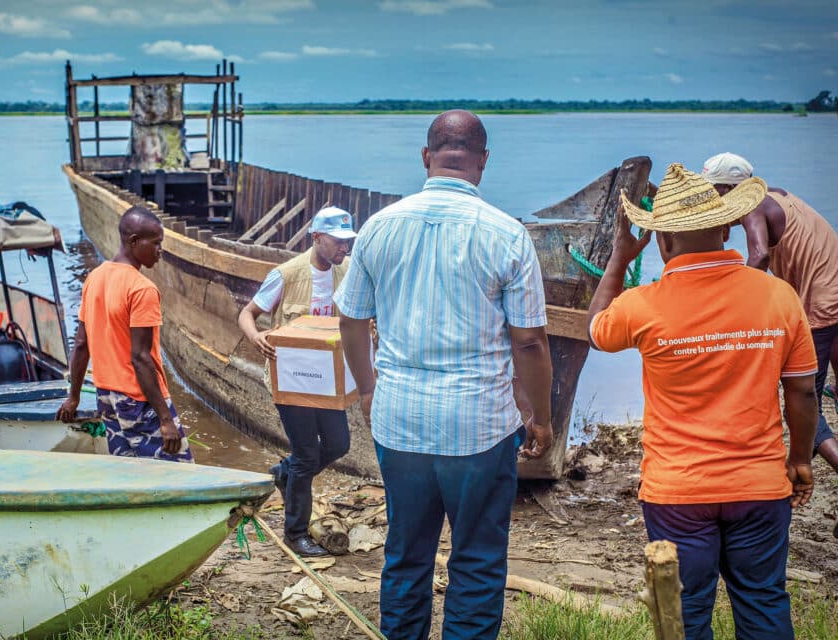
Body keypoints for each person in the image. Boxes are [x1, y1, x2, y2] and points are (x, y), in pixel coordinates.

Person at [335, 110, 553, 639]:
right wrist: (540, 419)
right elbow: (528, 341)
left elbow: (351, 319)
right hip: (479, 428)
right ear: (482, 163)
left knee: (406, 553)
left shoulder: (379, 228)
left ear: (427, 157)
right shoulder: (508, 235)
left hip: (399, 420)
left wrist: (368, 389)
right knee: (476, 560)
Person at [588, 163, 818, 640]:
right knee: (762, 601)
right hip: (758, 486)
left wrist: (618, 259)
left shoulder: (641, 305)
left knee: (686, 612)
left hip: (677, 493)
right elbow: (801, 391)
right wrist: (799, 461)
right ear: (724, 227)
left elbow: (596, 331)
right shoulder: (779, 297)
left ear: (663, 243)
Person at [703, 152, 838, 482]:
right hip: (834, 293)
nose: (712, 201)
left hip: (822, 307)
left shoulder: (752, 207)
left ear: (727, 189)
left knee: (806, 403)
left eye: (712, 193)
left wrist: (734, 304)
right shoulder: (774, 196)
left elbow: (760, 255)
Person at [237, 206, 356, 557]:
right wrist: (256, 337)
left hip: (326, 382)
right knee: (306, 455)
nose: (344, 249)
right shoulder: (286, 274)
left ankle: (283, 472)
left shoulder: (345, 272)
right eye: (338, 242)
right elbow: (247, 313)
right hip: (290, 378)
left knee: (338, 444)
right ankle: (296, 533)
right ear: (317, 237)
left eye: (348, 242)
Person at [57, 206, 192, 462]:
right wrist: (165, 420)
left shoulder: (94, 278)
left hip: (106, 396)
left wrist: (73, 397)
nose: (160, 251)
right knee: (181, 471)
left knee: (131, 471)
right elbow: (140, 358)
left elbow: (82, 345)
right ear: (133, 242)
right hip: (138, 399)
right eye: (155, 243)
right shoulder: (142, 289)